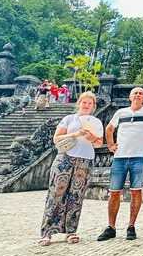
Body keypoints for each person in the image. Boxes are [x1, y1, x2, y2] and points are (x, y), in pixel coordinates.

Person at [98, 87, 143, 242]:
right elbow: (109, 128)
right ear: (130, 96)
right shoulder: (120, 113)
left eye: (141, 93)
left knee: (136, 191)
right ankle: (111, 227)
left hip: (138, 157)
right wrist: (110, 145)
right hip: (120, 156)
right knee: (114, 192)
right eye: (135, 93)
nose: (138, 95)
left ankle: (131, 226)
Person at [39, 91, 103, 246]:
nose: (86, 105)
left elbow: (99, 144)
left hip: (85, 159)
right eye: (84, 102)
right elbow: (56, 138)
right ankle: (47, 231)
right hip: (65, 157)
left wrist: (92, 138)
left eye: (90, 103)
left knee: (76, 195)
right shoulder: (69, 119)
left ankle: (71, 231)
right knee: (56, 192)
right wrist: (75, 134)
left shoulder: (96, 122)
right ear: (79, 103)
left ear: (93, 106)